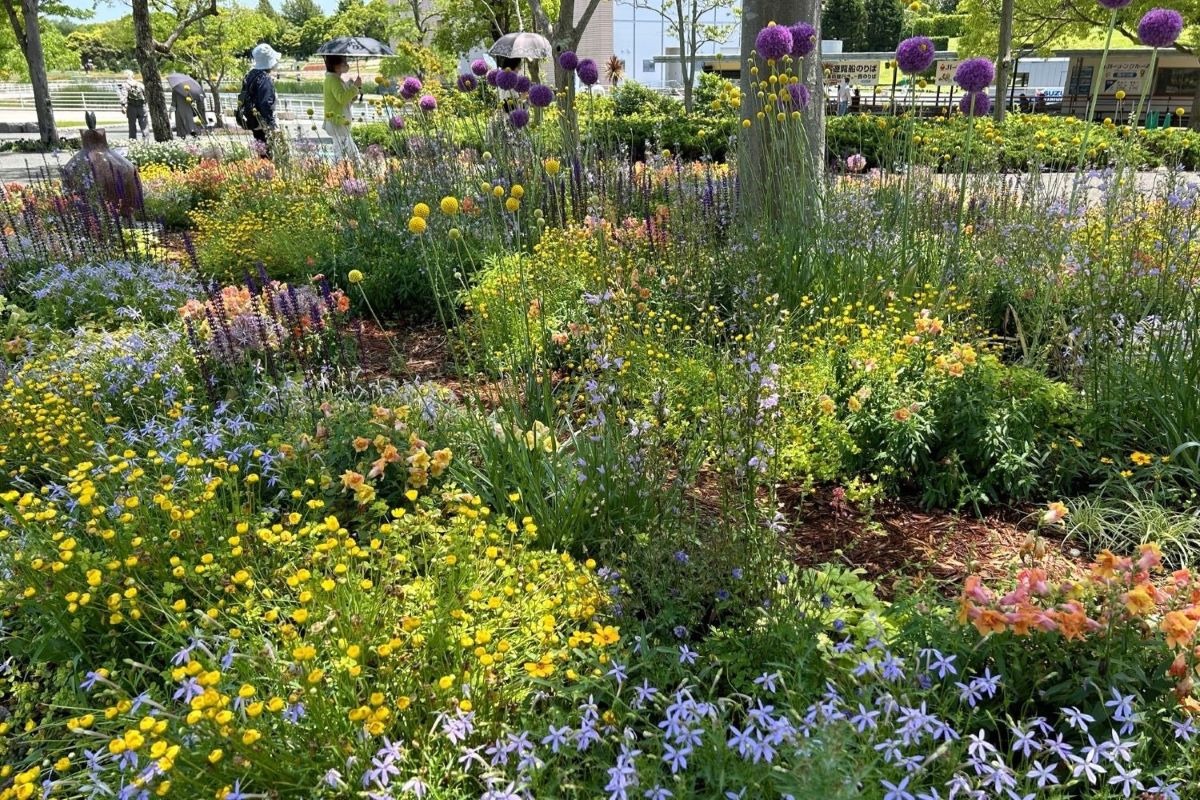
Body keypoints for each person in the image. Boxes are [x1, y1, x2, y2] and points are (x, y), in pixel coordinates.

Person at [240, 43, 281, 157]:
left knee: (261, 151)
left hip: (253, 120)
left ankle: (262, 170)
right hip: (262, 122)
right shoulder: (264, 79)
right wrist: (271, 124)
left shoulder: (250, 75)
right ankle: (267, 172)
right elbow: (265, 103)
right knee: (268, 153)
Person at [322, 54, 362, 163]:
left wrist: (354, 91)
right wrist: (354, 87)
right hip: (337, 122)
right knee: (341, 153)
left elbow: (344, 101)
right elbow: (342, 99)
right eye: (344, 62)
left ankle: (359, 169)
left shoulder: (336, 79)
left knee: (349, 151)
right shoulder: (333, 80)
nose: (347, 65)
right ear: (336, 65)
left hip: (340, 122)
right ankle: (337, 175)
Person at [119, 70, 148, 141]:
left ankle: (133, 142)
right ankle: (146, 142)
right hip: (142, 107)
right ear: (133, 76)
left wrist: (123, 106)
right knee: (144, 126)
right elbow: (146, 95)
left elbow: (124, 96)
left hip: (131, 107)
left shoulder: (125, 85)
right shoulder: (140, 84)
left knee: (132, 126)